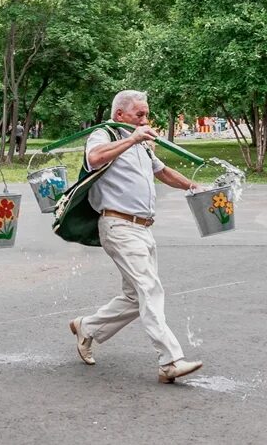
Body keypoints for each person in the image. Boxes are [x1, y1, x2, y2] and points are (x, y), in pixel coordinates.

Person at [69, 89, 204, 383]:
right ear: (120, 115)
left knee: (134, 296)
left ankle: (88, 327)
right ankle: (170, 361)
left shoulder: (142, 145)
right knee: (150, 289)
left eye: (146, 114)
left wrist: (193, 186)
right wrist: (132, 138)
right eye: (139, 115)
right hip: (118, 225)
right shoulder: (105, 135)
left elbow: (163, 172)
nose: (145, 120)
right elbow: (93, 158)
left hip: (143, 227)